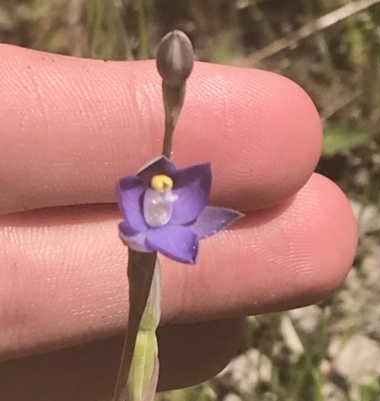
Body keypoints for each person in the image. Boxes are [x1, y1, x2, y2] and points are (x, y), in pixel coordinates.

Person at [0, 43, 358, 401]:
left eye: (168, 187)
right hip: (145, 237)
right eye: (153, 188)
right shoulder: (135, 218)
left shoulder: (181, 222)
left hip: (164, 236)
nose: (161, 187)